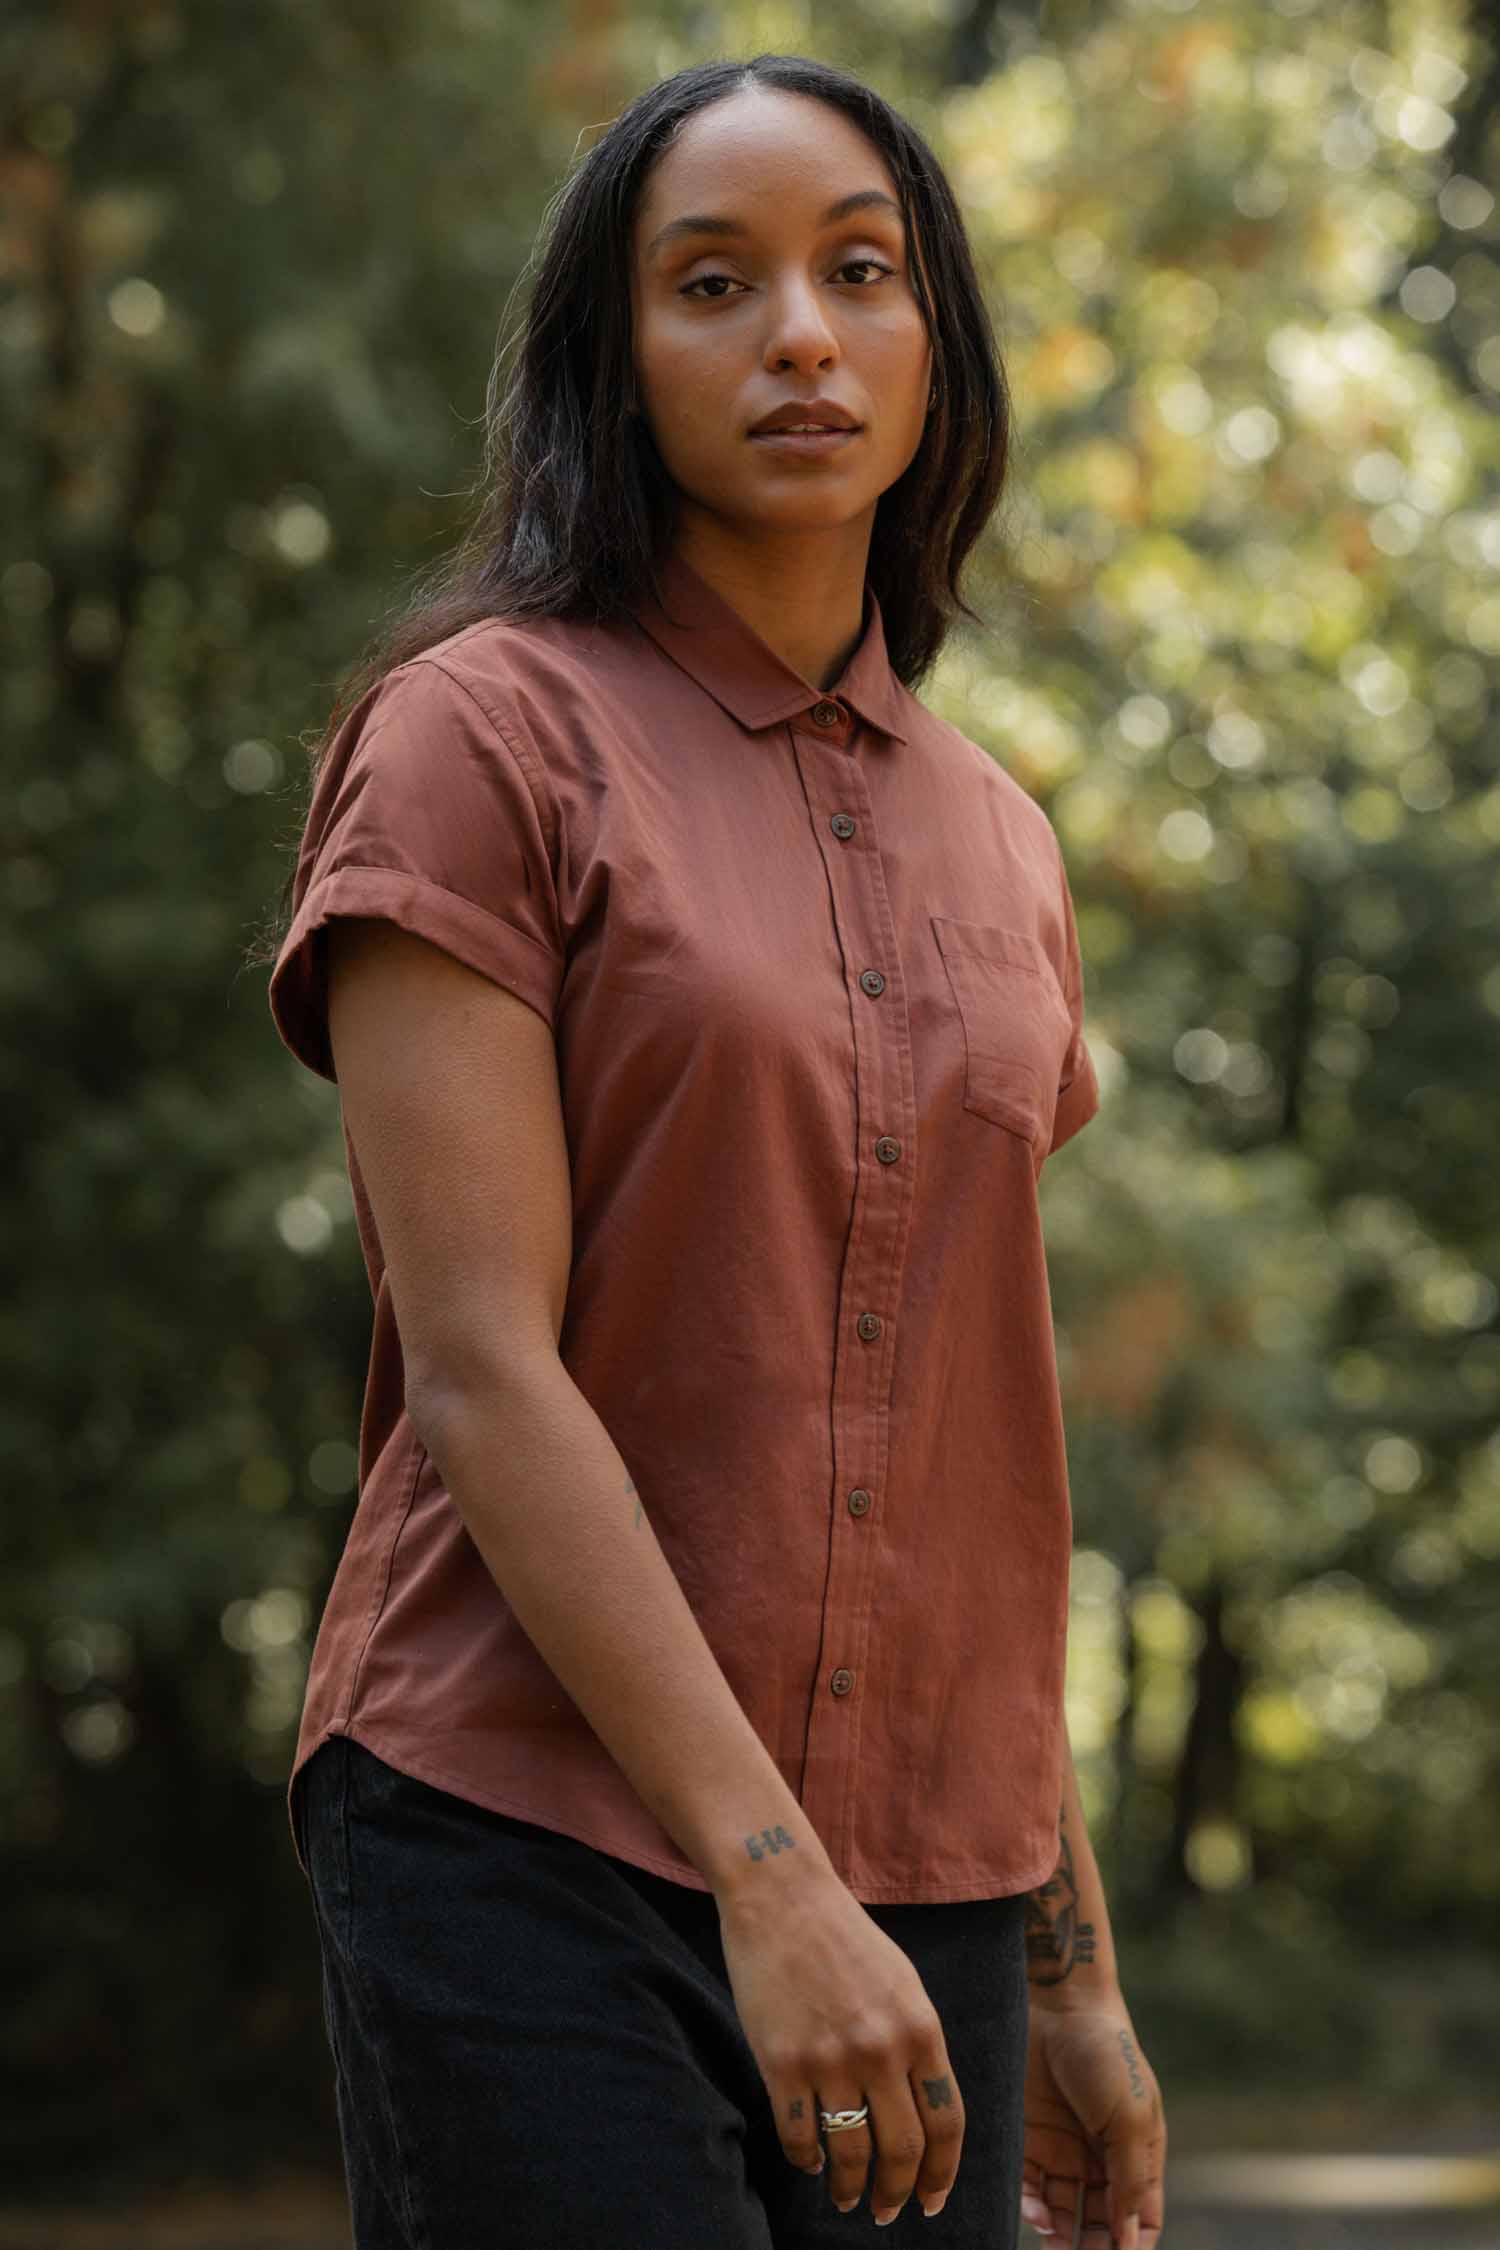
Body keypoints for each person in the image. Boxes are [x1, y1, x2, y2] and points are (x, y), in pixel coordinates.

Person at [263, 50, 1167, 2250]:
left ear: (934, 345)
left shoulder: (1002, 840)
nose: (797, 335)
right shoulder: (481, 740)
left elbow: (959, 1445)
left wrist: (1067, 1963)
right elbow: (484, 1371)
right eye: (712, 282)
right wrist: (768, 1882)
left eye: (861, 272)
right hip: (528, 1835)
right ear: (615, 354)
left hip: (930, 1878)